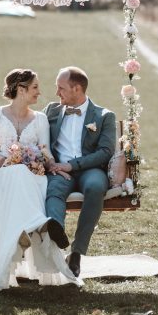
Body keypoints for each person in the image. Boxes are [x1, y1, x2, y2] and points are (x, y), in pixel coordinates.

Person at [0, 68, 81, 292]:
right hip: (3, 174)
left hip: (32, 175)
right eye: (35, 87)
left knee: (24, 175)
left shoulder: (40, 119)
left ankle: (27, 231)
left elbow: (45, 151)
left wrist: (53, 166)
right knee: (16, 173)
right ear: (21, 89)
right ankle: (36, 225)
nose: (39, 92)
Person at [44, 66, 116, 278]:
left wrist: (73, 165)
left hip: (89, 169)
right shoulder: (51, 111)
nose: (57, 92)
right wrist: (52, 165)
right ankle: (56, 234)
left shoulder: (104, 116)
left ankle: (76, 253)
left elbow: (105, 152)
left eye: (61, 88)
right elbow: (39, 139)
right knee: (53, 189)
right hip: (59, 170)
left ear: (76, 88)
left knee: (95, 187)